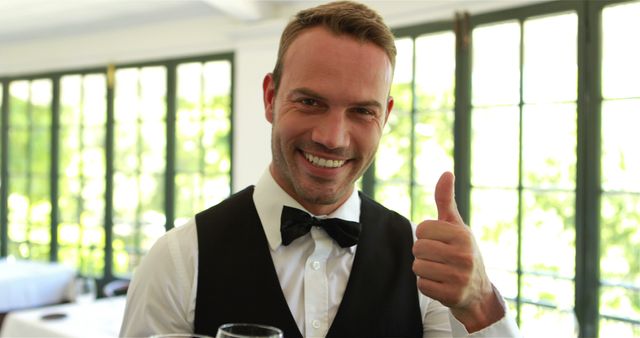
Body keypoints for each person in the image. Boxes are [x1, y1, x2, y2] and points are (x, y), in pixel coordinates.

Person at [120, 1, 521, 337]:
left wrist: (481, 303)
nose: (333, 137)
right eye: (310, 102)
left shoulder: (426, 270)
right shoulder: (177, 261)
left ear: (385, 117)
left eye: (362, 111)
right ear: (270, 97)